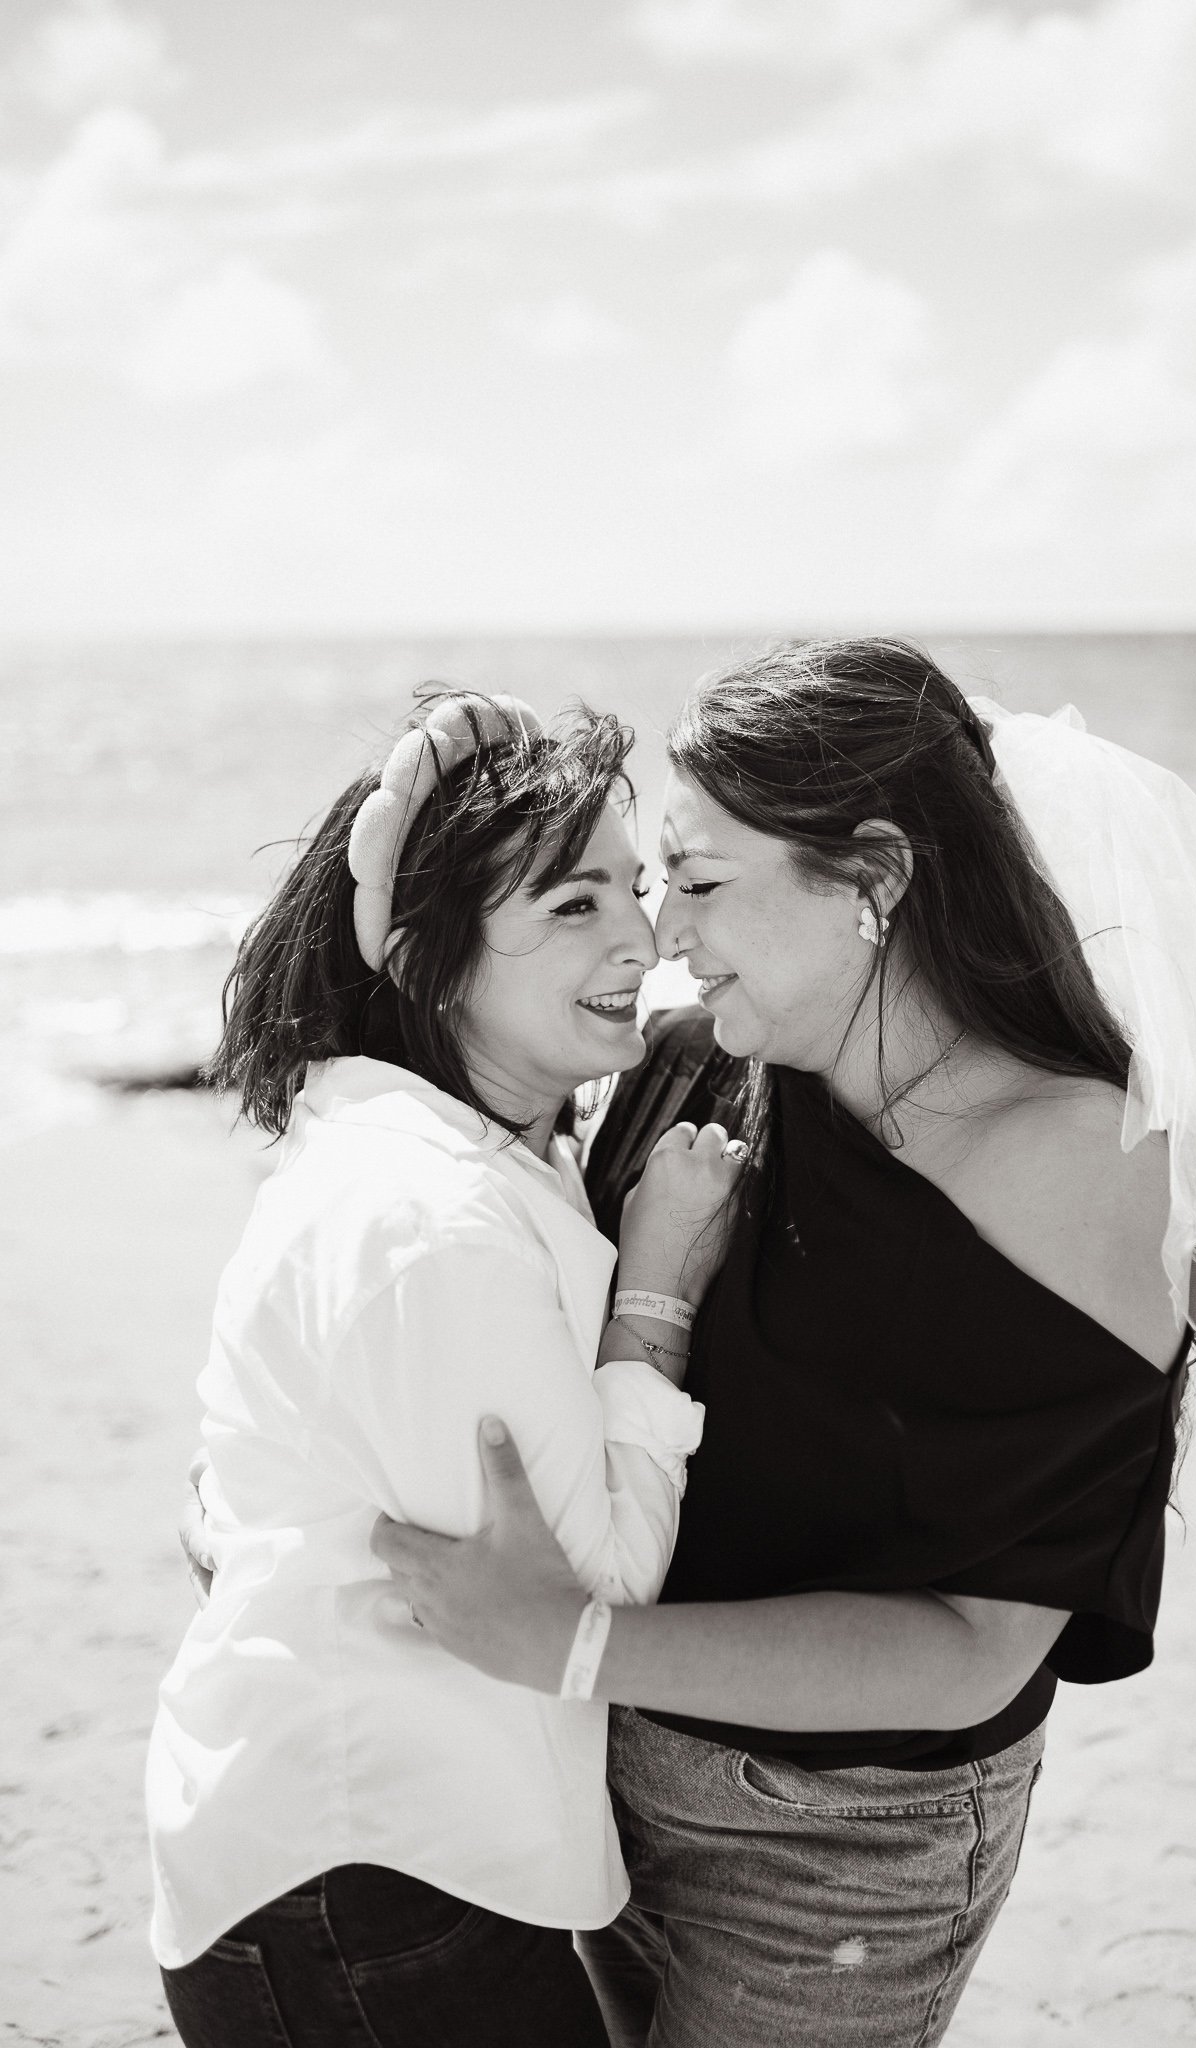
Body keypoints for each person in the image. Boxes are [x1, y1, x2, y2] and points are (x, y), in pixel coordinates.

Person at [369, 636, 1196, 2048]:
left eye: (702, 883)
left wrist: (573, 1643)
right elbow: (417, 1125)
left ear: (874, 878)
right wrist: (442, 799)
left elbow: (971, 1648)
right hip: (583, 1783)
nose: (662, 935)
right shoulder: (693, 1064)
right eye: (656, 884)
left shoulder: (1088, 1168)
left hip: (838, 1854)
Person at [147, 689, 745, 2048]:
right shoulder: (434, 1225)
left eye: (636, 888)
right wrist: (658, 1290)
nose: (644, 937)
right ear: (429, 959)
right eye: (574, 904)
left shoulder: (450, 1149)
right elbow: (597, 1601)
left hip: (367, 1854)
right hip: (367, 1883)